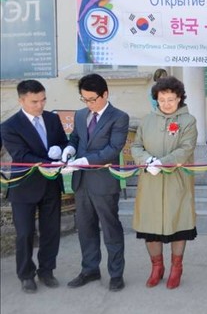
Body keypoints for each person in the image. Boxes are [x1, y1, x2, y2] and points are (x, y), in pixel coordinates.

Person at [61, 73, 129, 292]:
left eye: (92, 99)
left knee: (110, 228)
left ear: (105, 94)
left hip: (104, 182)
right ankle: (89, 269)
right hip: (81, 183)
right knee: (85, 228)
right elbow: (76, 138)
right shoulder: (81, 115)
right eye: (84, 99)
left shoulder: (119, 117)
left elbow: (113, 149)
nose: (89, 104)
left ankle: (116, 273)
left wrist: (85, 160)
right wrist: (69, 149)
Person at [1, 80, 68, 293]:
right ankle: (26, 274)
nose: (40, 105)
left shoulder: (52, 118)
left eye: (43, 100)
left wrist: (66, 152)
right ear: (21, 100)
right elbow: (21, 155)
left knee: (51, 231)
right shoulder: (9, 126)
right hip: (24, 187)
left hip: (50, 185)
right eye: (34, 101)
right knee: (25, 233)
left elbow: (63, 142)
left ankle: (47, 270)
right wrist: (50, 163)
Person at [131, 76, 198, 289]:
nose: (166, 103)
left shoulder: (188, 121)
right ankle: (156, 266)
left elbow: (186, 148)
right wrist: (146, 160)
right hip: (150, 182)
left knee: (178, 224)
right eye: (162, 99)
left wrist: (162, 162)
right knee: (150, 227)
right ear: (156, 100)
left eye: (171, 99)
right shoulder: (147, 121)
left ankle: (176, 267)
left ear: (179, 98)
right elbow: (136, 146)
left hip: (176, 182)